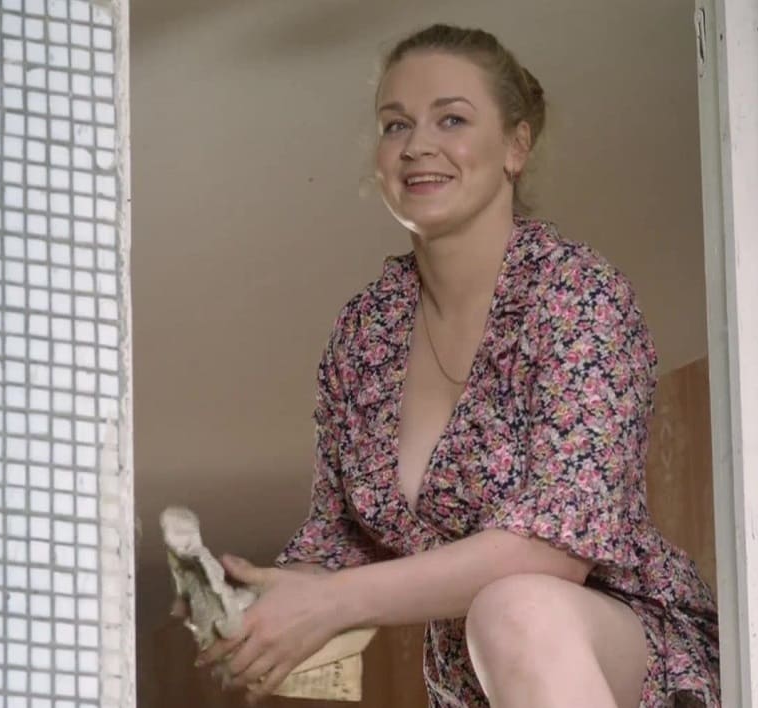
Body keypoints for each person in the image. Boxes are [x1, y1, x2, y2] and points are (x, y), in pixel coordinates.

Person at [192, 23, 720, 708]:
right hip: (474, 684)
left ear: (516, 146)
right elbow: (337, 544)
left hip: (632, 660)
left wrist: (334, 602)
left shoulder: (574, 295)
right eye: (395, 124)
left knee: (517, 606)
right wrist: (257, 606)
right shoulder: (364, 333)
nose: (417, 145)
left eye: (452, 119)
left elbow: (553, 549)